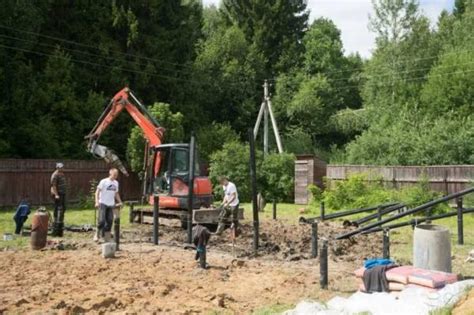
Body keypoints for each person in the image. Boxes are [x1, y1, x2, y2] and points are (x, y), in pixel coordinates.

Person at [95, 168, 122, 242]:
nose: (115, 176)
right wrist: (97, 202)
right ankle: (97, 234)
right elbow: (97, 192)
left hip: (111, 204)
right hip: (103, 203)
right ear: (110, 174)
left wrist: (120, 201)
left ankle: (106, 238)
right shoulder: (104, 181)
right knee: (101, 221)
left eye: (116, 175)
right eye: (114, 175)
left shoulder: (116, 183)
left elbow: (116, 193)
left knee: (110, 221)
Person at [51, 162, 67, 236]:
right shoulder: (55, 175)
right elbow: (53, 186)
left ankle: (61, 222)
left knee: (63, 208)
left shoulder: (62, 174)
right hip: (58, 194)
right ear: (57, 167)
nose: (62, 168)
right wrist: (56, 195)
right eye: (60, 167)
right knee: (58, 209)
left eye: (62, 167)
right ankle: (56, 224)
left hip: (63, 193)